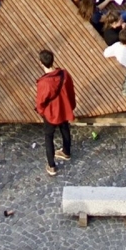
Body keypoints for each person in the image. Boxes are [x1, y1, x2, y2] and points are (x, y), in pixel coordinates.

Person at [35, 49, 76, 177]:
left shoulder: (44, 82)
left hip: (51, 113)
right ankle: (66, 152)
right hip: (63, 108)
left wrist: (41, 112)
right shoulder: (64, 74)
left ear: (41, 63)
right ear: (53, 60)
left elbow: (40, 101)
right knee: (65, 128)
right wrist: (71, 106)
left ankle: (52, 165)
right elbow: (71, 91)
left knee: (49, 137)